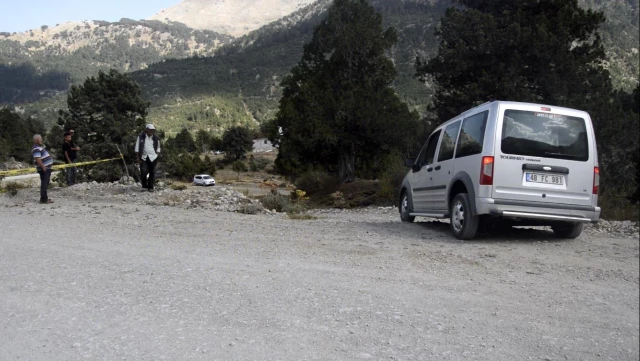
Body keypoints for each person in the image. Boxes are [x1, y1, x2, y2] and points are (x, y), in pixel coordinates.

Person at [135, 124, 161, 192]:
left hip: (153, 157)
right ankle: (144, 186)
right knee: (143, 171)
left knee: (152, 172)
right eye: (150, 130)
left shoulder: (156, 138)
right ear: (146, 130)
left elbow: (158, 147)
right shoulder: (141, 137)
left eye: (153, 130)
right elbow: (137, 147)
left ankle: (150, 187)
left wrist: (157, 154)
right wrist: (137, 157)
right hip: (143, 157)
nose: (151, 131)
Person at [31, 134, 54, 204]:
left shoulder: (39, 147)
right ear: (36, 140)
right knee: (44, 183)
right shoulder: (36, 149)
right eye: (40, 139)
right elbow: (38, 159)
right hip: (44, 168)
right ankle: (44, 199)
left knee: (45, 183)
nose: (41, 140)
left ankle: (44, 198)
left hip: (46, 168)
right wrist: (44, 167)